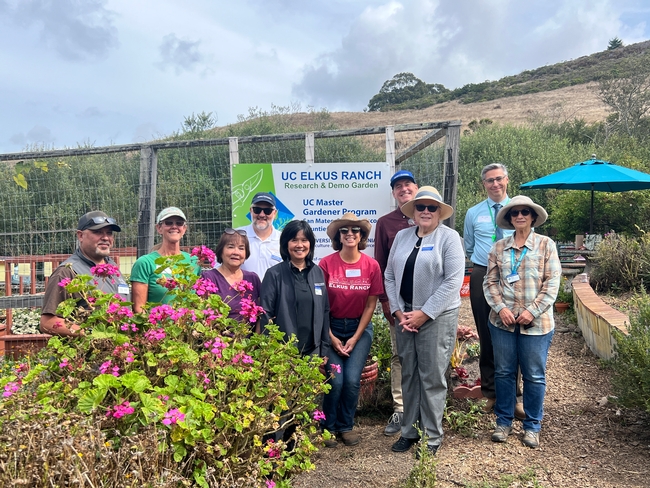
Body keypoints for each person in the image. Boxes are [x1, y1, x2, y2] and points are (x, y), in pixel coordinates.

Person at [385, 186, 464, 457]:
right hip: (405, 317)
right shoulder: (402, 236)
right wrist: (398, 311)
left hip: (437, 318)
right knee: (409, 374)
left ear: (440, 212)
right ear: (414, 211)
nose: (426, 211)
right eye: (421, 207)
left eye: (432, 207)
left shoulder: (449, 238)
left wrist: (424, 313)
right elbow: (389, 276)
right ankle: (409, 430)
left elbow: (453, 281)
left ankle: (431, 435)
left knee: (431, 377)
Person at [484, 195, 561, 449]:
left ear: (532, 216)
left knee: (534, 375)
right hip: (502, 322)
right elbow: (490, 282)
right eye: (514, 213)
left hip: (537, 324)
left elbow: (552, 284)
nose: (519, 216)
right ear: (508, 218)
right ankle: (503, 421)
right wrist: (501, 308)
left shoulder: (546, 245)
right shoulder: (498, 248)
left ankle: (532, 426)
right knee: (504, 372)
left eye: (524, 212)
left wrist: (533, 311)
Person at [463, 163, 524, 420]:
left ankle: (514, 396)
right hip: (482, 273)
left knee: (515, 333)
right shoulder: (473, 213)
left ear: (507, 180)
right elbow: (469, 245)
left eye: (499, 179)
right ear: (484, 184)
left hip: (514, 276)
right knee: (486, 333)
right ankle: (490, 392)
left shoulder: (520, 211)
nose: (495, 184)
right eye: (490, 180)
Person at [319, 213, 383, 447]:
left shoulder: (371, 265)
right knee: (335, 381)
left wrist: (356, 337)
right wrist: (331, 337)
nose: (350, 234)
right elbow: (321, 305)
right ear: (338, 236)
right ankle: (327, 427)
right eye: (344, 231)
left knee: (352, 380)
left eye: (355, 230)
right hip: (331, 328)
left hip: (359, 329)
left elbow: (370, 305)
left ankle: (346, 426)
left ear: (362, 236)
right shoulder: (326, 264)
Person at [374, 169, 418, 436]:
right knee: (399, 354)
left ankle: (424, 408)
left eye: (408, 184)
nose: (403, 189)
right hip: (398, 303)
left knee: (428, 355)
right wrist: (385, 301)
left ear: (416, 187)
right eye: (398, 186)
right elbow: (380, 264)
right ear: (393, 193)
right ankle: (400, 409)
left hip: (428, 303)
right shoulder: (386, 223)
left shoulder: (429, 214)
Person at [40, 211, 130, 336]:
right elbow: (48, 322)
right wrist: (92, 334)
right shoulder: (67, 272)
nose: (105, 237)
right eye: (97, 232)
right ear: (80, 235)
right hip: (88, 351)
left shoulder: (112, 267)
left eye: (109, 233)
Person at [260, 220, 330, 358]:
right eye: (294, 240)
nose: (300, 245)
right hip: (283, 350)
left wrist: (324, 348)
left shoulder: (317, 272)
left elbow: (325, 311)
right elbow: (265, 313)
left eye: (304, 240)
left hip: (312, 351)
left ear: (310, 243)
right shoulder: (274, 274)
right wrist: (270, 349)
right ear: (286, 244)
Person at [131, 207, 198, 313]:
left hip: (189, 328)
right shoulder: (145, 263)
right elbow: (139, 309)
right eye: (168, 222)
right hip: (157, 328)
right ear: (159, 228)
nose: (174, 226)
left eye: (179, 223)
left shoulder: (194, 262)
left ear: (184, 229)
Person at [201, 228, 262, 329]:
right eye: (230, 247)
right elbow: (203, 317)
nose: (236, 252)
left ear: (246, 254)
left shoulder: (253, 278)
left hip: (249, 342)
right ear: (221, 251)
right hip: (218, 341)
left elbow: (261, 315)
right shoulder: (209, 277)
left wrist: (255, 343)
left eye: (241, 248)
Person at [238, 192, 281, 281]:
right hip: (243, 294)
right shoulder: (237, 236)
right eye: (257, 209)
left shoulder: (283, 240)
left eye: (267, 211)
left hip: (275, 294)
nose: (262, 215)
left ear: (275, 213)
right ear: (251, 210)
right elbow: (221, 268)